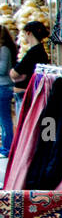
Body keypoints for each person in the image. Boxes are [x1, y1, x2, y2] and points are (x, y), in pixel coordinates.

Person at [9, 19, 49, 121]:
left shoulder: (32, 53)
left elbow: (14, 74)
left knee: (23, 128)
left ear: (28, 33)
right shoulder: (41, 52)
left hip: (26, 95)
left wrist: (18, 76)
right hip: (31, 94)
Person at [0, 25, 14, 156]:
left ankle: (8, 146)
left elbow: (3, 69)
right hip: (3, 87)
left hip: (3, 87)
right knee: (3, 119)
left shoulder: (4, 49)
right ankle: (6, 145)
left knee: (5, 119)